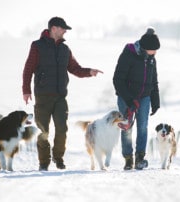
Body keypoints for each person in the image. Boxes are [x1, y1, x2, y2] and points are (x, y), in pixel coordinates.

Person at [22, 17, 103, 171]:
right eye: (63, 28)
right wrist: (26, 90)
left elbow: (75, 68)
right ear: (53, 28)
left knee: (62, 130)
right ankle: (44, 162)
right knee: (43, 131)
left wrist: (89, 72)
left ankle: (58, 158)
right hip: (43, 96)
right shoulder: (37, 46)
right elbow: (28, 68)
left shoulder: (65, 49)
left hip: (60, 97)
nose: (65, 31)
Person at [113, 27, 160, 170]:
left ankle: (140, 157)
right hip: (126, 97)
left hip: (144, 97)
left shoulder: (151, 59)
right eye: (153, 50)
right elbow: (117, 80)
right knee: (127, 128)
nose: (155, 53)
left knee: (143, 126)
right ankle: (128, 159)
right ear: (145, 48)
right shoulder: (128, 55)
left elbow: (154, 81)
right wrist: (129, 100)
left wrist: (155, 100)